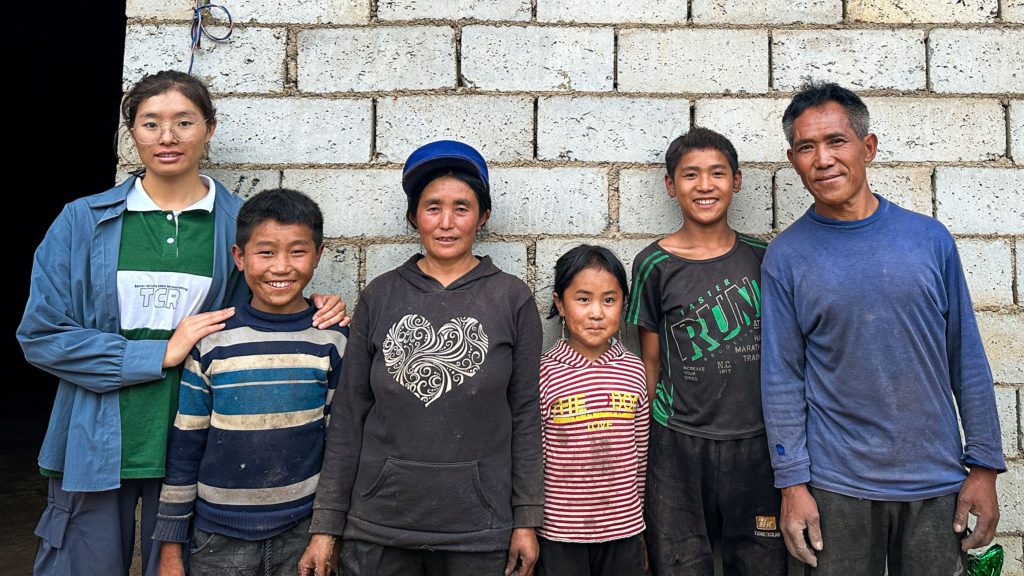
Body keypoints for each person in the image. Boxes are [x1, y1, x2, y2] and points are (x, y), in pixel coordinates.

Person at [16, 70, 347, 576]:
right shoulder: (83, 221)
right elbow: (40, 335)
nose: (167, 138)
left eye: (183, 122)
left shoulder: (240, 224)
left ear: (209, 129)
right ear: (133, 134)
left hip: (202, 446)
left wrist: (314, 305)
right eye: (151, 123)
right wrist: (159, 354)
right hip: (99, 438)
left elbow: (266, 301)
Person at [761, 82, 1005, 575]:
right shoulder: (786, 257)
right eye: (807, 147)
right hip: (836, 487)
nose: (823, 159)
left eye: (836, 141)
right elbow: (781, 378)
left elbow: (967, 359)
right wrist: (792, 485)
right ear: (793, 160)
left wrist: (983, 467)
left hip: (935, 483)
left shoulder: (929, 241)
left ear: (867, 148)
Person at [299, 140, 544, 576]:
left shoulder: (511, 299)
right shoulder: (381, 295)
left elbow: (526, 415)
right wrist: (327, 526)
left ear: (483, 217)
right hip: (379, 526)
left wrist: (525, 519)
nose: (446, 223)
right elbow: (350, 414)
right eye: (433, 207)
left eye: (462, 208)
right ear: (413, 216)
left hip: (479, 529)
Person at [152, 188, 348, 575]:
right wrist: (171, 548)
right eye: (265, 252)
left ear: (319, 255)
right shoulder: (211, 342)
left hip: (301, 533)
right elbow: (185, 448)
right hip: (216, 539)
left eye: (297, 251)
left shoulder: (333, 340)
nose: (281, 267)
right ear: (239, 257)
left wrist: (327, 532)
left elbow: (340, 446)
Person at [627, 127, 788, 575]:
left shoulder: (764, 256)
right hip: (678, 443)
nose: (704, 186)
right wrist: (645, 447)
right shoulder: (653, 264)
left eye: (717, 173)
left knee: (761, 563)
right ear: (670, 185)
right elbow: (651, 361)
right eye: (690, 175)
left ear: (736, 181)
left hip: (757, 444)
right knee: (679, 563)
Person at [535, 245, 649, 576]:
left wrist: (639, 524)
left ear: (623, 304)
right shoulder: (545, 373)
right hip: (559, 533)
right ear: (560, 303)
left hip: (624, 530)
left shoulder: (633, 370)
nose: (596, 312)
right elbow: (534, 459)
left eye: (609, 300)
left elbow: (640, 456)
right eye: (583, 299)